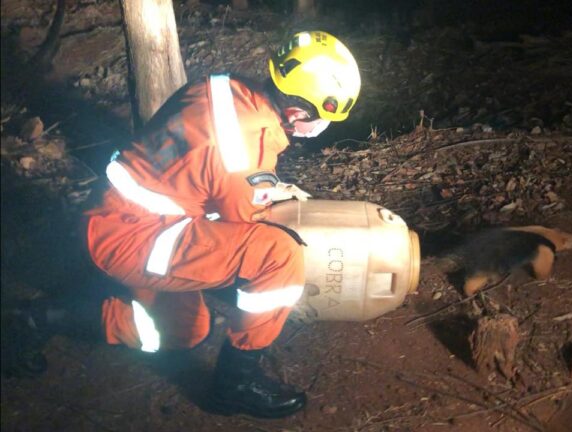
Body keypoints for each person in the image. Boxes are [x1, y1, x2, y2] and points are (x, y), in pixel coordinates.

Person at [10, 30, 361, 419]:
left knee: (184, 330)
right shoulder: (244, 152)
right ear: (297, 114)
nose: (322, 126)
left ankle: (37, 318)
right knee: (278, 256)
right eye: (324, 118)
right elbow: (246, 225)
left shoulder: (223, 88)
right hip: (135, 238)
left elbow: (204, 177)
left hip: (116, 217)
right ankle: (235, 384)